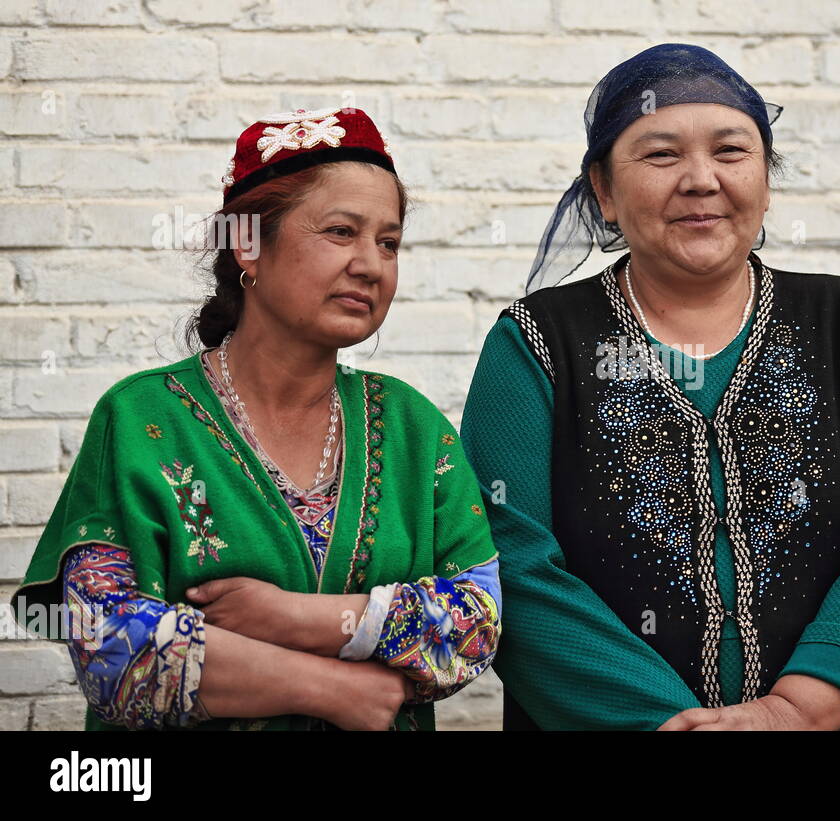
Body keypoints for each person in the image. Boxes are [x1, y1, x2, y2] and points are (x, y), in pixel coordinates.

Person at [460, 43, 840, 731]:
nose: (701, 179)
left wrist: (793, 712)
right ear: (603, 190)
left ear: (765, 178)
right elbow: (511, 562)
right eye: (661, 155)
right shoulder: (537, 344)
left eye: (731, 151)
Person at [11, 107, 500, 731]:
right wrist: (337, 689)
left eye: (389, 242)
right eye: (340, 232)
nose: (371, 264)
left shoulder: (413, 427)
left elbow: (478, 624)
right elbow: (110, 646)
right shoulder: (141, 417)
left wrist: (288, 617)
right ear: (248, 244)